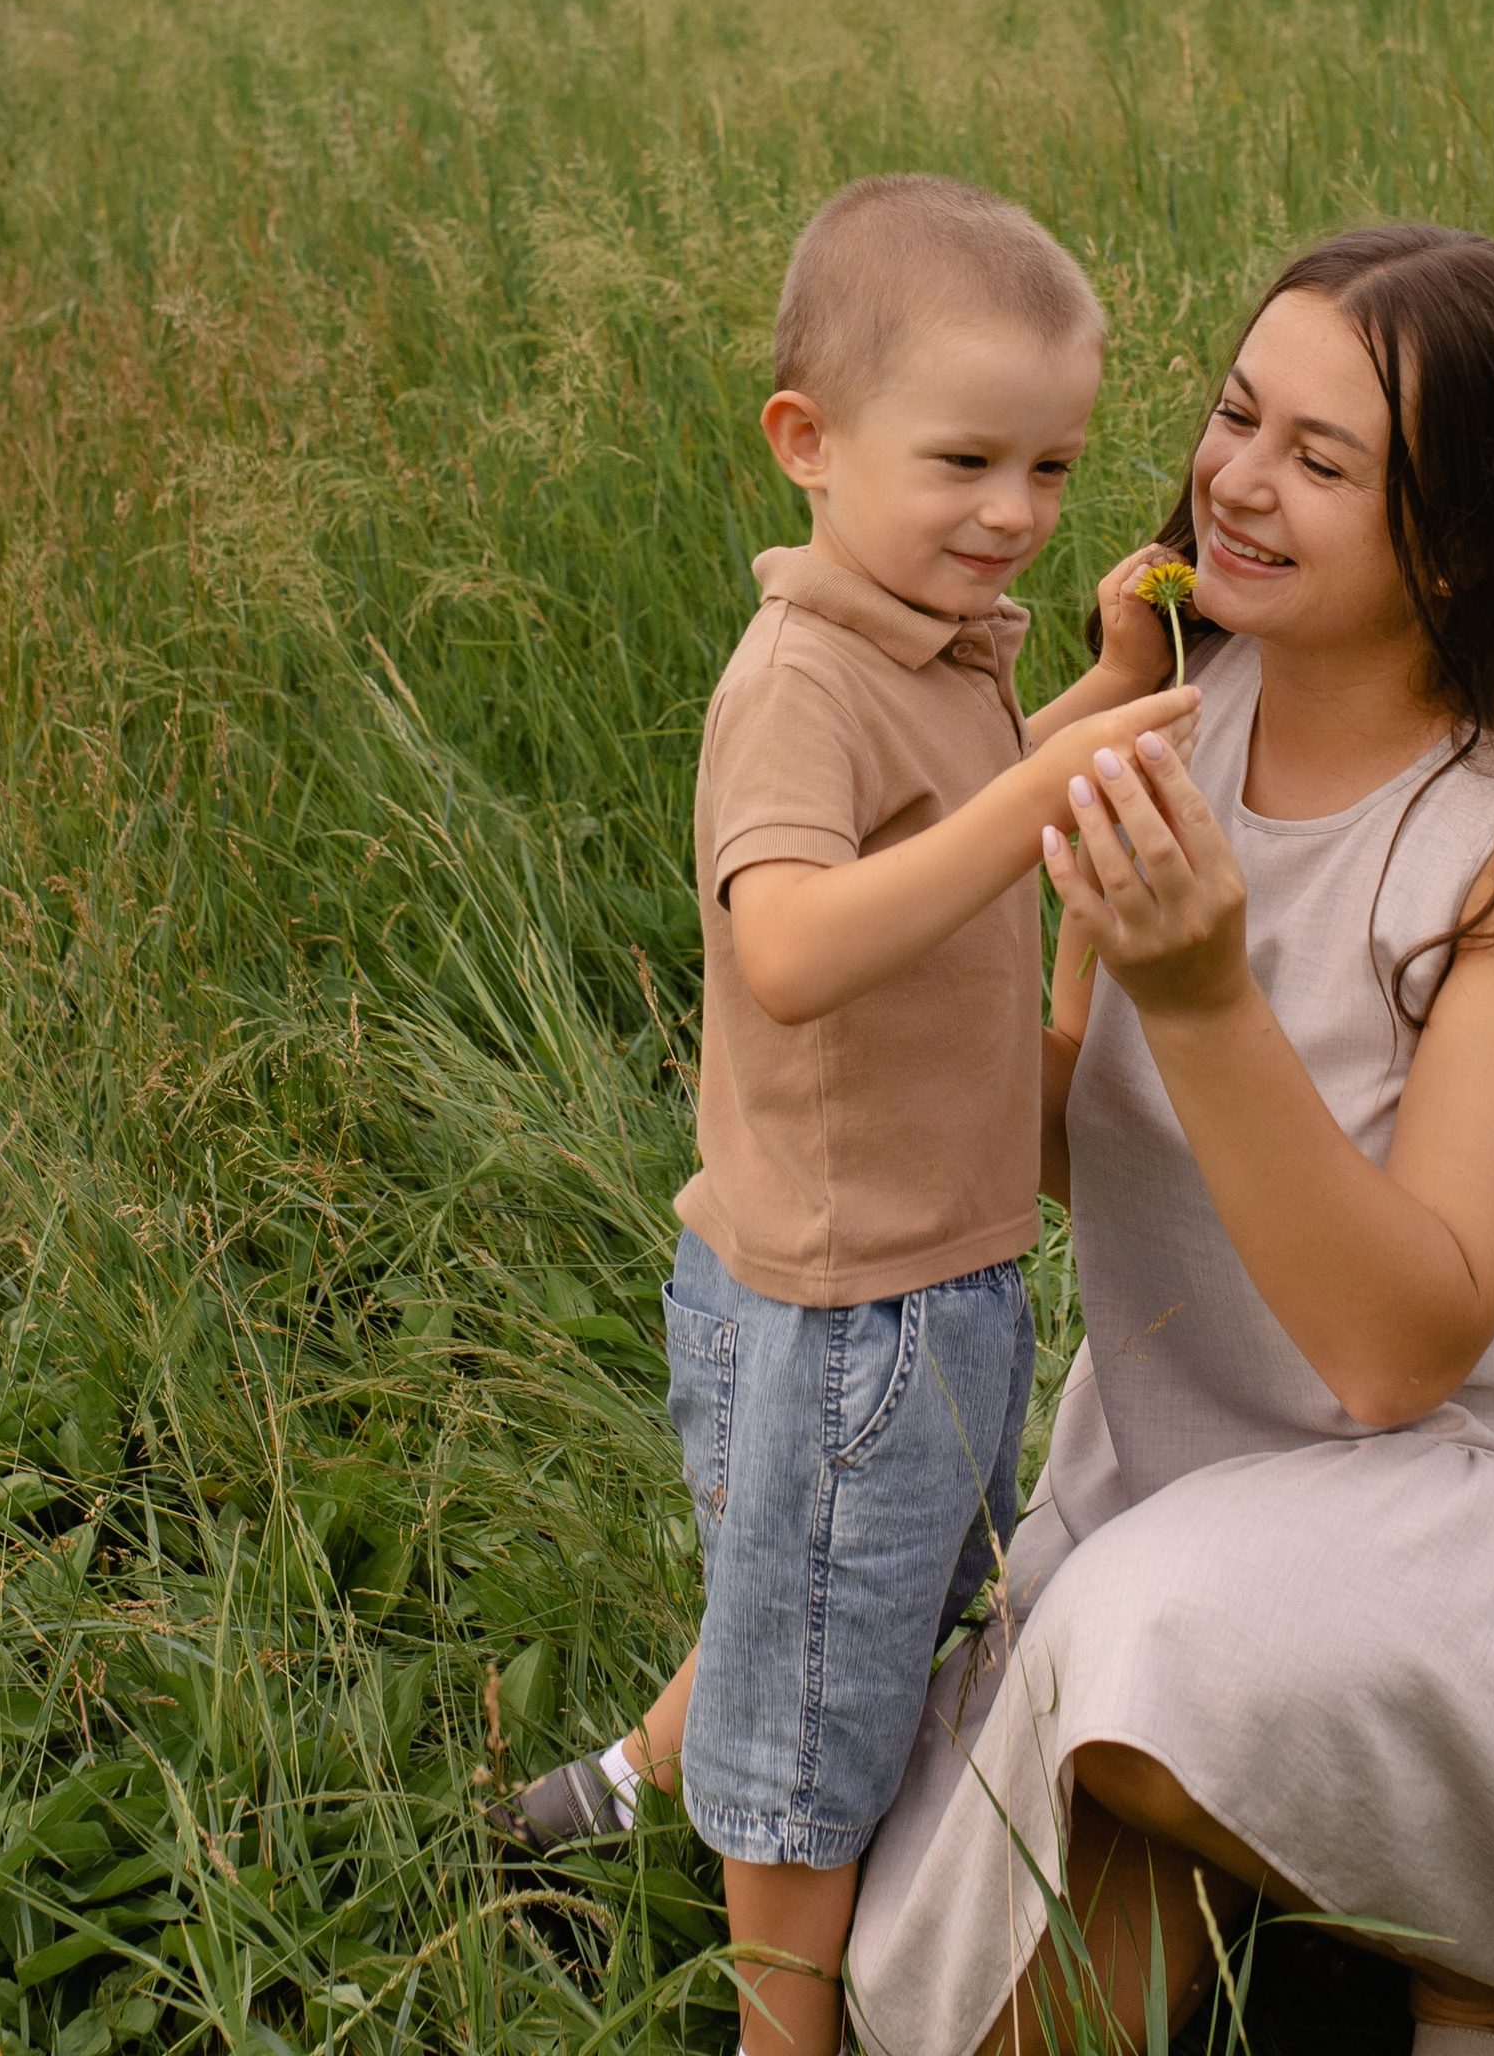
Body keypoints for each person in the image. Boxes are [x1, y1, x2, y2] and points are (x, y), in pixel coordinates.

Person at [845, 226, 1494, 2056]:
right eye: (1236, 418)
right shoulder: (1179, 713)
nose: (1238, 483)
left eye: (1323, 463)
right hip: (1224, 1476)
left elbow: (1406, 1346)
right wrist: (875, 951)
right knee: (929, 2003)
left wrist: (1206, 992)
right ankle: (1330, 1836)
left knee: (1166, 1653)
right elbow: (1091, 1136)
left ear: (1464, 535)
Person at [488, 174, 1197, 2056]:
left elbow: (962, 814)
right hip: (840, 1303)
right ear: (807, 444)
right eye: (967, 459)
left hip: (930, 1275)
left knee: (822, 1601)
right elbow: (791, 943)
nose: (1015, 514)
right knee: (820, 1692)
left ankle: (613, 1797)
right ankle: (784, 2029)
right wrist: (1025, 815)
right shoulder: (801, 679)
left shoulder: (937, 644)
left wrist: (1104, 696)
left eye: (1052, 469)